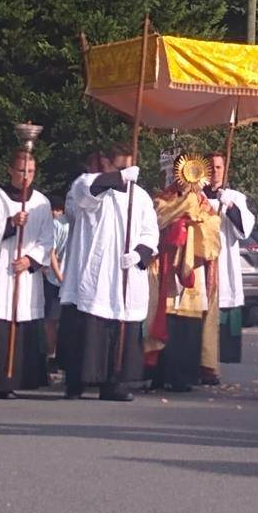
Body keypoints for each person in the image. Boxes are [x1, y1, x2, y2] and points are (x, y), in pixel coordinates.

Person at [59, 153, 159, 401]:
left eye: (130, 166)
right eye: (122, 167)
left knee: (122, 328)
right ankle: (77, 381)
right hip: (95, 273)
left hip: (126, 273)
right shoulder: (90, 186)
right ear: (107, 165)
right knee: (86, 327)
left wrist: (139, 254)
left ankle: (115, 383)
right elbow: (85, 194)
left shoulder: (141, 197)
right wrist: (116, 178)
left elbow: (150, 232)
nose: (128, 171)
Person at [0, 150, 54, 398]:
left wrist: (30, 259)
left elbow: (48, 239)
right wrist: (11, 223)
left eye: (31, 172)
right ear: (10, 171)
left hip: (24, 275)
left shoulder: (42, 203)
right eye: (22, 171)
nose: (26, 177)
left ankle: (11, 382)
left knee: (20, 323)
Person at [145, 158, 221, 392]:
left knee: (187, 324)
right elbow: (157, 218)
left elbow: (213, 228)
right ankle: (157, 373)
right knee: (164, 318)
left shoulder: (204, 203)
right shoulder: (162, 198)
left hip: (192, 266)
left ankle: (185, 375)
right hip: (166, 264)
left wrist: (195, 222)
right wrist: (185, 209)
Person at [202, 152, 256, 380]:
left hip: (223, 262)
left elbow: (244, 229)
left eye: (219, 167)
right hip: (200, 261)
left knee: (219, 315)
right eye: (211, 167)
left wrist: (230, 206)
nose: (215, 171)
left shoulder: (234, 196)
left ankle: (213, 367)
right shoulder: (195, 196)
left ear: (225, 170)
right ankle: (198, 364)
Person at [43, 195, 69, 369]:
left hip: (77, 283)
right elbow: (51, 251)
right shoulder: (58, 223)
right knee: (52, 320)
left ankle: (65, 356)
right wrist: (59, 276)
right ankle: (50, 356)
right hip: (56, 280)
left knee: (67, 322)